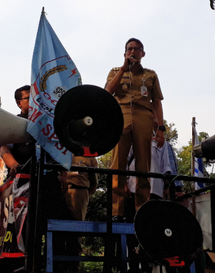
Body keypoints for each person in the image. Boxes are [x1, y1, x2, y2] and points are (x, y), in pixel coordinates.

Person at [0, 85, 70, 272]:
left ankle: (56, 265)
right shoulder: (14, 122)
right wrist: (13, 164)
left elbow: (59, 150)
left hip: (49, 183)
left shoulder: (47, 121)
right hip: (25, 184)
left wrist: (63, 174)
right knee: (30, 230)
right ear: (18, 103)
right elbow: (5, 149)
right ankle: (31, 266)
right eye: (28, 98)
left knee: (59, 225)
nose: (33, 101)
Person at [105, 37, 165, 221]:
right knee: (118, 164)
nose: (133, 51)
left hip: (143, 117)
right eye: (130, 49)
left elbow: (157, 103)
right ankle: (117, 211)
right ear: (125, 53)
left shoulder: (151, 75)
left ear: (143, 53)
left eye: (137, 49)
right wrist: (124, 68)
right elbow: (107, 92)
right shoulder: (116, 71)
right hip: (120, 115)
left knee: (143, 166)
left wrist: (161, 128)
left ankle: (142, 210)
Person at [65, 156, 98, 273]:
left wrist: (81, 193)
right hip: (60, 191)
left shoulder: (89, 158)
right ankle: (57, 265)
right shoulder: (61, 150)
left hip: (79, 192)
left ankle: (74, 267)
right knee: (57, 230)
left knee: (75, 231)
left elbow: (94, 184)